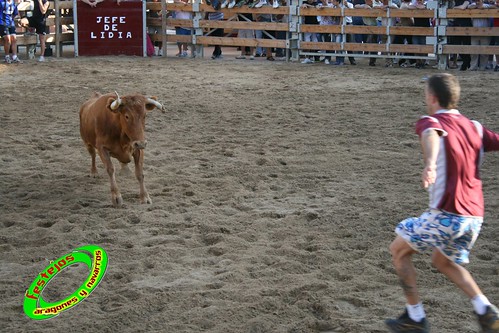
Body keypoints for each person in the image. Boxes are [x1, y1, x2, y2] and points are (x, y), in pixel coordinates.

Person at [386, 73, 499, 333]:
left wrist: (430, 164)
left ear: (432, 97)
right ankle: (484, 308)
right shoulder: (476, 127)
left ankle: (415, 317)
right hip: (474, 218)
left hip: (448, 213)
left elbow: (432, 135)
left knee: (398, 250)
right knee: (443, 261)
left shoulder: (431, 121)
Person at [467, 0, 495, 70]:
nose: (477, 1)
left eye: (479, 0)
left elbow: (494, 7)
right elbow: (469, 7)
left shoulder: (486, 5)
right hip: (474, 31)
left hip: (485, 32)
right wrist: (478, 6)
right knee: (473, 51)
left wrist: (483, 7)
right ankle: (473, 66)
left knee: (484, 52)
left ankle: (483, 67)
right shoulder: (473, 5)